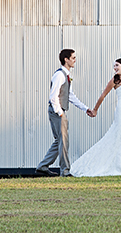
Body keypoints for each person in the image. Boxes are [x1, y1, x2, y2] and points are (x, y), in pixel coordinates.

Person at [70, 58, 121, 177]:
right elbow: (103, 95)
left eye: (117, 65)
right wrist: (95, 109)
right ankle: (118, 166)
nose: (115, 68)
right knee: (118, 135)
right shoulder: (115, 80)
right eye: (114, 66)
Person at [36, 49, 95, 177]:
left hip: (59, 111)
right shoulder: (59, 75)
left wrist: (85, 109)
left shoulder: (66, 75)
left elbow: (70, 95)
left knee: (59, 141)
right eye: (73, 58)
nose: (75, 60)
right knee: (63, 141)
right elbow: (53, 96)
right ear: (66, 60)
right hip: (57, 111)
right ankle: (65, 170)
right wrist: (60, 113)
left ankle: (43, 167)